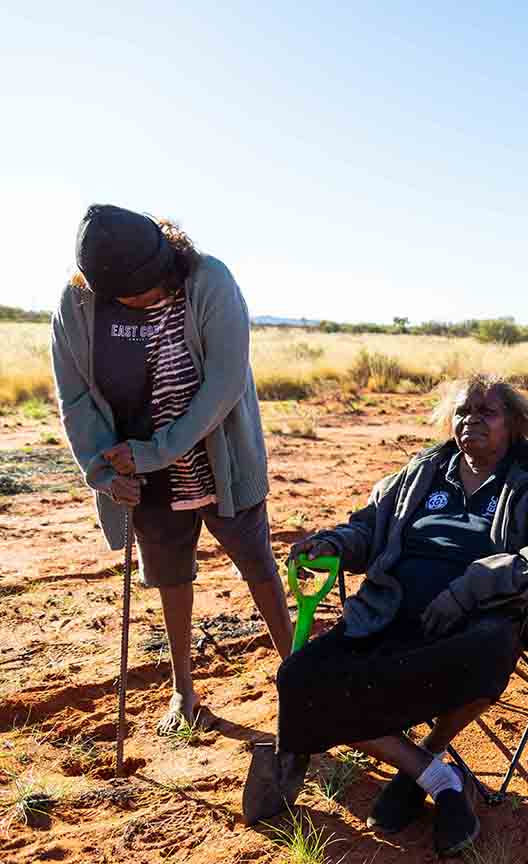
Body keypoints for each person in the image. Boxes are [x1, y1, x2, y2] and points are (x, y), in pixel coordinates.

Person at [242, 374, 528, 858]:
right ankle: (433, 773)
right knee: (299, 677)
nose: (471, 421)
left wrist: (468, 590)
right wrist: (334, 544)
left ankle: (427, 756)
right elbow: (368, 527)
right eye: (463, 412)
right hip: (392, 607)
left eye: (486, 413)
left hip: (483, 615)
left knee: (489, 649)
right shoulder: (424, 470)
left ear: (513, 423)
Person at [50, 204, 293, 734]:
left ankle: (300, 676)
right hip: (140, 473)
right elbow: (75, 397)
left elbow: (223, 386)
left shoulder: (210, 280)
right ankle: (184, 690)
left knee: (257, 563)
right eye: (139, 295)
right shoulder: (77, 305)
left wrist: (159, 449)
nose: (155, 295)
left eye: (159, 284)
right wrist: (101, 470)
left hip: (219, 458)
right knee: (168, 575)